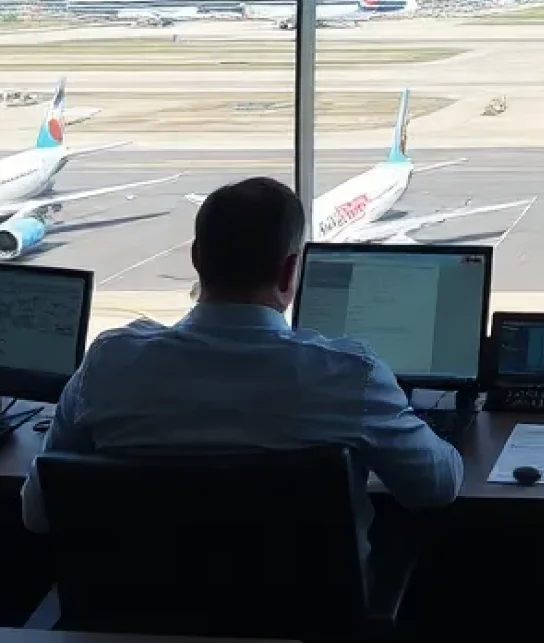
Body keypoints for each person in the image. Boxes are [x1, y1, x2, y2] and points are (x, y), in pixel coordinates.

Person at [21, 176, 462, 537]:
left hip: (137, 628)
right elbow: (436, 487)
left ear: (196, 259)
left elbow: (38, 514)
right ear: (290, 271)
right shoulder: (348, 375)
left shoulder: (108, 364)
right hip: (304, 627)